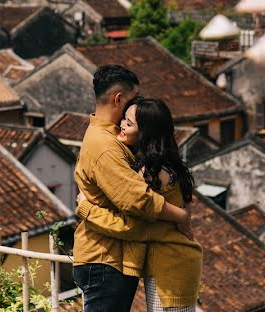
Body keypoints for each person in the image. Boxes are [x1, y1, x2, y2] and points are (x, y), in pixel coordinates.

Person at [73, 65, 193, 312]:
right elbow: (138, 201)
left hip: (110, 256)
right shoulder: (105, 147)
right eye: (134, 99)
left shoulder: (109, 136)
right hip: (105, 258)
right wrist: (180, 214)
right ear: (119, 99)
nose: (136, 105)